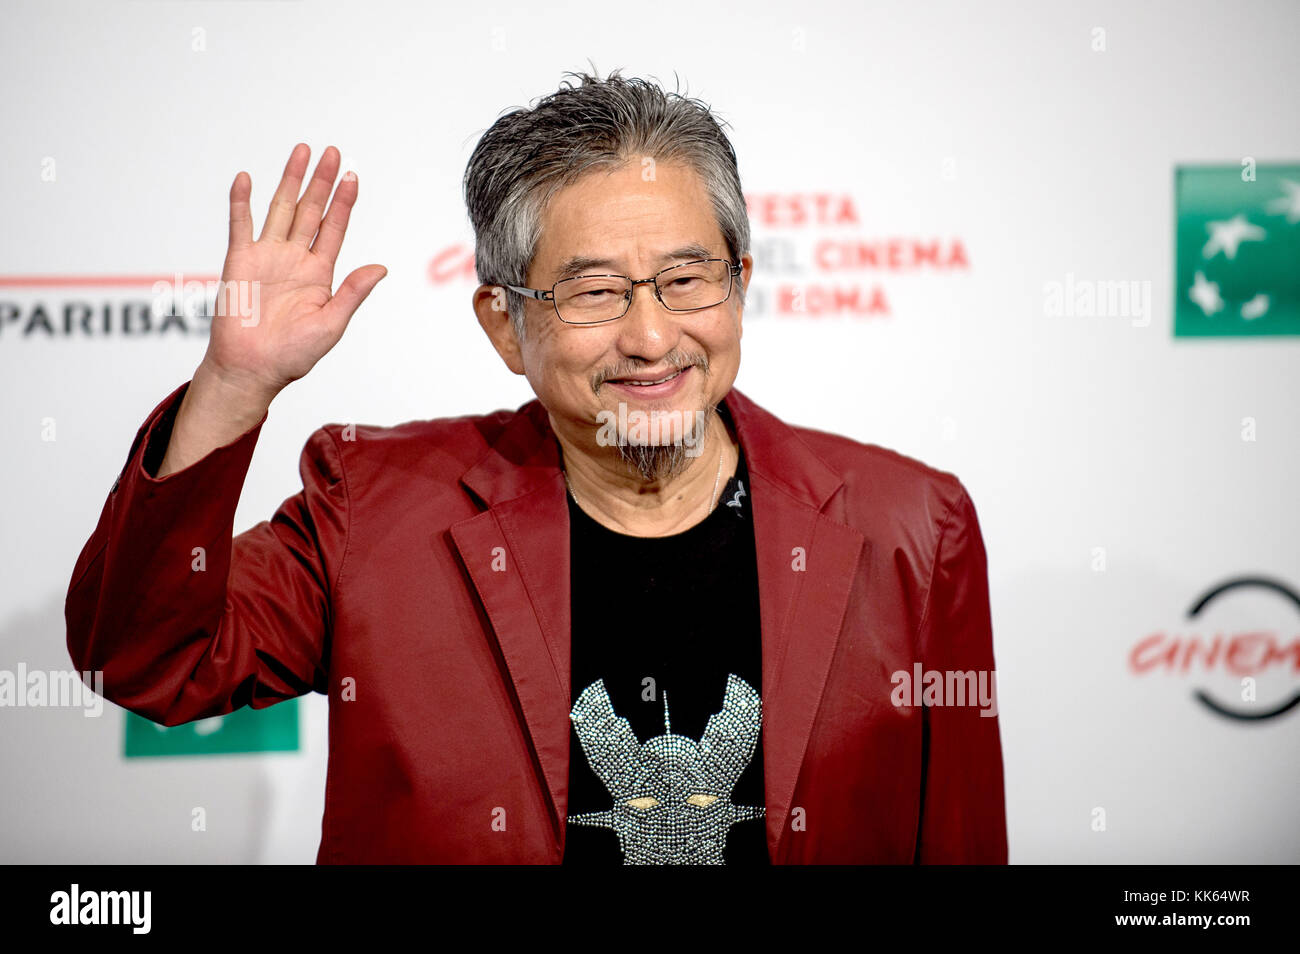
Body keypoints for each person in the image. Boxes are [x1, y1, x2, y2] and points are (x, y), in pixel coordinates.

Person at [66, 70, 1007, 864]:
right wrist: (232, 388)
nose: (650, 336)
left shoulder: (911, 527)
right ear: (503, 326)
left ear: (741, 285)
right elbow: (147, 664)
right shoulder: (375, 509)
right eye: (593, 292)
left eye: (686, 281)